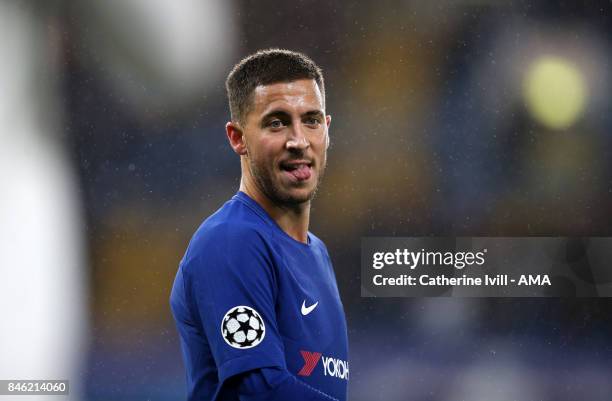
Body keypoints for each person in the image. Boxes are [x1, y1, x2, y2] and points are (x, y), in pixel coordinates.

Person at [170, 49, 349, 401]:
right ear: (237, 138)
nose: (298, 141)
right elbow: (259, 389)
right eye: (277, 122)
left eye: (311, 120)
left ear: (326, 130)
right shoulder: (230, 241)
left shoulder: (318, 253)